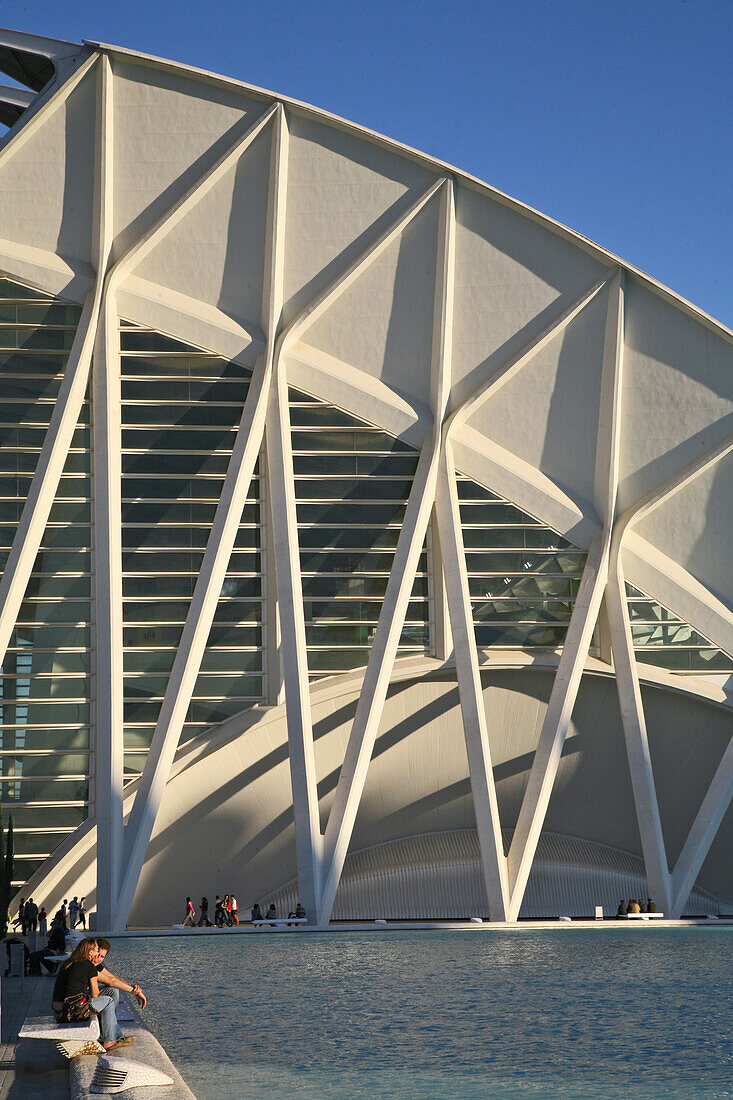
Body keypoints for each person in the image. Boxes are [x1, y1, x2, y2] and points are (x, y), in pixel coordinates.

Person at [52, 938, 142, 1052]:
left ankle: (111, 1033)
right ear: (90, 952)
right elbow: (95, 995)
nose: (98, 956)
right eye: (96, 951)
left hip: (63, 1007)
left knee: (112, 991)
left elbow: (112, 979)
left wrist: (133, 988)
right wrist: (135, 991)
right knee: (108, 1001)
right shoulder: (88, 965)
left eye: (101, 955)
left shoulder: (72, 962)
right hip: (70, 1010)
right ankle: (110, 1040)